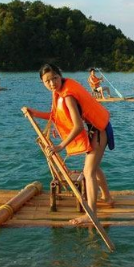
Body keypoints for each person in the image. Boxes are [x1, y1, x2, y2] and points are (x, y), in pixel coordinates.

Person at [23, 64, 115, 225]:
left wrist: (60, 146)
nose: (52, 83)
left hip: (100, 130)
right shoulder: (59, 92)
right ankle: (107, 197)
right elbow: (55, 115)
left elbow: (78, 126)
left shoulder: (67, 96)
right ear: (42, 82)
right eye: (47, 81)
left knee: (88, 171)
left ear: (61, 76)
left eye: (55, 78)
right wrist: (34, 113)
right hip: (96, 129)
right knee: (94, 167)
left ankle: (92, 214)